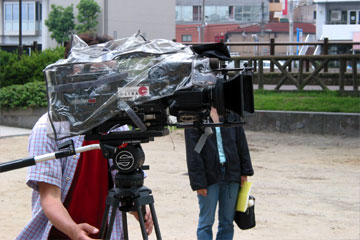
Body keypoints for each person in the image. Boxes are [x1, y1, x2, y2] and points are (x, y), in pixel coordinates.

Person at [16, 34, 154, 240]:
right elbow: (49, 197)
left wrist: (137, 208)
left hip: (106, 232)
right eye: (100, 74)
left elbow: (123, 183)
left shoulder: (117, 127)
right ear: (74, 75)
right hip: (59, 234)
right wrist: (74, 231)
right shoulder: (50, 127)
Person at [184, 107, 254, 240]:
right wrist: (199, 182)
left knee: (227, 222)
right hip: (208, 176)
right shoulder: (194, 115)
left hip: (231, 173)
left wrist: (245, 171)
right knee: (206, 223)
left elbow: (241, 142)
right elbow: (193, 152)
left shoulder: (231, 112)